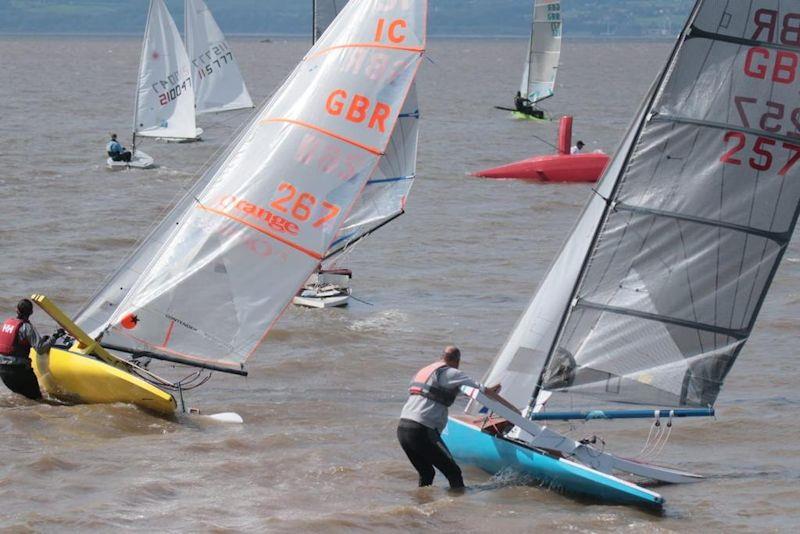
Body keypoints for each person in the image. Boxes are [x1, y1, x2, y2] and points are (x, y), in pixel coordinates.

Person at [397, 346, 514, 490]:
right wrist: (514, 411)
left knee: (427, 473)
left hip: (403, 429)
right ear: (457, 361)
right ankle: (458, 506)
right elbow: (483, 391)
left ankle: (420, 506)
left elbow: (437, 393)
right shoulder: (452, 372)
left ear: (442, 357)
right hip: (422, 430)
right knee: (454, 473)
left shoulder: (425, 371)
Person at [0, 299, 54, 399]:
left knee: (24, 401)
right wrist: (53, 338)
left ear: (17, 310)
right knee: (38, 401)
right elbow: (40, 349)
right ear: (31, 312)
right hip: (20, 372)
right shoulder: (27, 327)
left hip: (3, 372)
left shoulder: (6, 324)